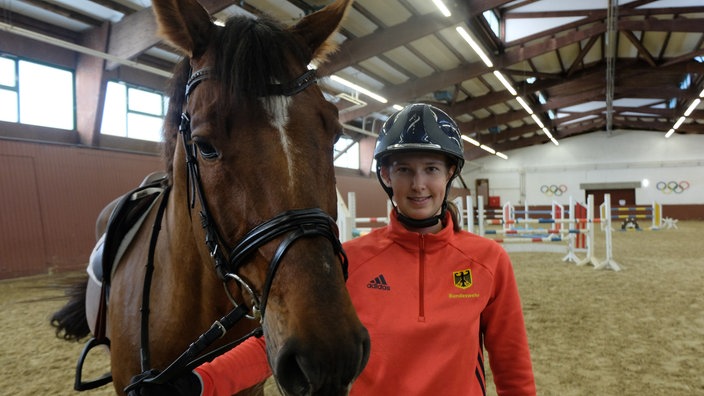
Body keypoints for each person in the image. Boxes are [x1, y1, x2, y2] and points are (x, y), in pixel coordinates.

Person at [130, 103, 536, 395]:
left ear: (450, 174)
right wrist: (197, 382)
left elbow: (512, 366)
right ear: (385, 176)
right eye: (404, 170)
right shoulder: (350, 261)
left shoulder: (487, 261)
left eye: (431, 169)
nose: (418, 185)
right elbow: (274, 342)